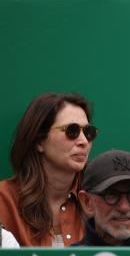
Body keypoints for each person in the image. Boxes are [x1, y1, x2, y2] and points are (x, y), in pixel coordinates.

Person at [0, 93, 98, 246]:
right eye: (72, 131)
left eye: (88, 132)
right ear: (39, 141)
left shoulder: (99, 199)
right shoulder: (4, 201)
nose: (84, 141)